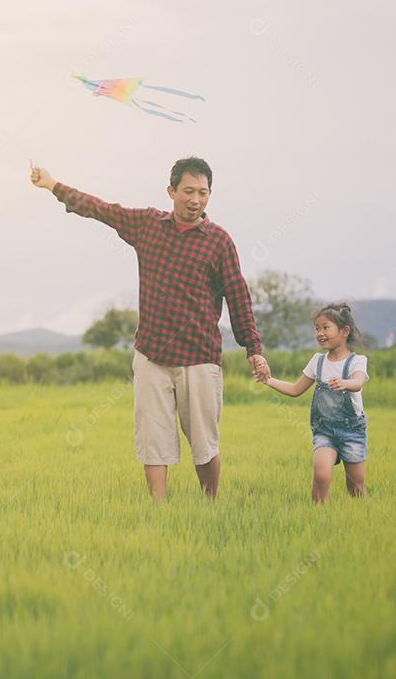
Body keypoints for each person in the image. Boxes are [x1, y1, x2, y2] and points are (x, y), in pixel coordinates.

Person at [29, 157, 271, 501]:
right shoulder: (147, 225)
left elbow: (238, 296)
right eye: (188, 191)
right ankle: (158, 510)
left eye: (203, 193)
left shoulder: (219, 241)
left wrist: (253, 349)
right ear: (171, 191)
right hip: (152, 356)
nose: (195, 200)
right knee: (154, 442)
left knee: (204, 444)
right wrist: (53, 185)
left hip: (199, 358)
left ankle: (211, 503)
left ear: (210, 195)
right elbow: (101, 209)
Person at [259, 303, 369, 503]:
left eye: (326, 327)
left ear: (344, 331)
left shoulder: (356, 361)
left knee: (356, 486)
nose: (320, 333)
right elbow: (295, 390)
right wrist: (269, 380)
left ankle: (363, 513)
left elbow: (358, 382)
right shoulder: (317, 361)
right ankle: (317, 515)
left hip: (352, 431)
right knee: (321, 475)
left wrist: (345, 383)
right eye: (317, 328)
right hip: (324, 431)